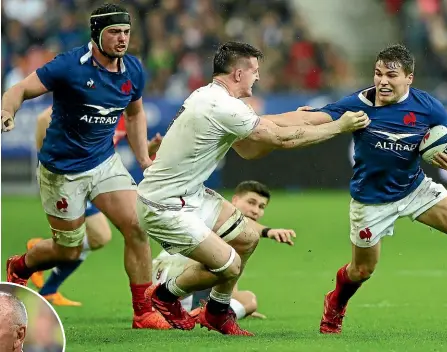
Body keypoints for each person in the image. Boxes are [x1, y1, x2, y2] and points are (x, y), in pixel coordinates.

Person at [260, 44, 447, 333]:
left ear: (409, 78)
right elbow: (308, 117)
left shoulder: (427, 105)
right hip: (371, 201)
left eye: (391, 75)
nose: (382, 81)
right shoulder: (358, 104)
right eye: (378, 73)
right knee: (362, 270)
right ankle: (335, 303)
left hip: (414, 188)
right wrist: (260, 121)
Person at [136, 41, 369, 336]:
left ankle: (218, 313)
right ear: (237, 73)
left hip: (188, 195)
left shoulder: (211, 97)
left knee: (246, 237)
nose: (257, 77)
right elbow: (282, 139)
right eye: (254, 70)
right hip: (164, 205)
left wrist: (310, 119)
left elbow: (252, 147)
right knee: (230, 266)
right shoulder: (221, 106)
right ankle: (165, 295)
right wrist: (339, 127)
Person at [2, 3, 169, 329]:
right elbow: (20, 88)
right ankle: (21, 267)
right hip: (62, 172)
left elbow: (134, 114)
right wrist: (7, 110)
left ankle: (143, 311)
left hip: (104, 163)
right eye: (114, 32)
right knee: (69, 250)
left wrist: (144, 158)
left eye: (126, 32)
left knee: (138, 226)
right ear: (96, 33)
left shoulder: (132, 69)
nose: (122, 39)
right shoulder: (70, 66)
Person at [27, 107, 162, 306]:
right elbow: (42, 119)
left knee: (99, 237)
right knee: (100, 235)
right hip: (70, 176)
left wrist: (150, 148)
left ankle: (46, 271)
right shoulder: (94, 100)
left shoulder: (127, 115)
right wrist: (47, 164)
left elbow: (139, 153)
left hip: (95, 178)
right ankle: (41, 256)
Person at [152, 180, 295, 320]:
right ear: (235, 200)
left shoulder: (236, 234)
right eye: (251, 202)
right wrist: (267, 231)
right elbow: (243, 223)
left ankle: (200, 312)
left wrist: (239, 308)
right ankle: (198, 312)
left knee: (246, 297)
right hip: (170, 277)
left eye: (261, 206)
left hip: (171, 284)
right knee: (242, 292)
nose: (255, 210)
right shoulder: (219, 216)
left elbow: (230, 279)